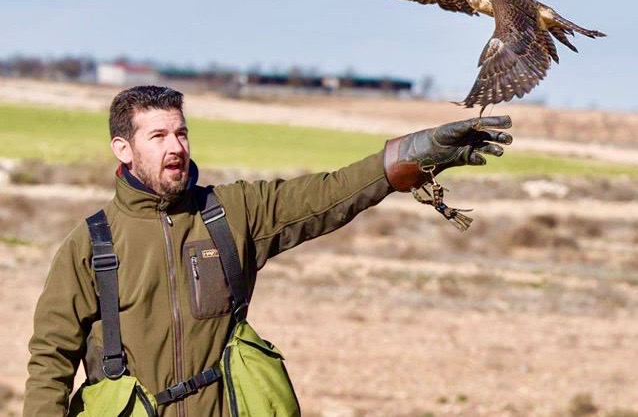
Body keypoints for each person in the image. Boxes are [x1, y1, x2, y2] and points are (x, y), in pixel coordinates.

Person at [24, 85, 512, 416]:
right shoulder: (91, 245)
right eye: (157, 136)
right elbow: (51, 360)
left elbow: (326, 194)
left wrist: (402, 160)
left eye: (181, 132)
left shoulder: (230, 212)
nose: (176, 146)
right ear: (123, 149)